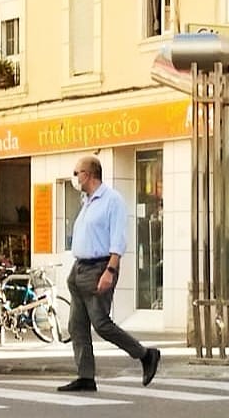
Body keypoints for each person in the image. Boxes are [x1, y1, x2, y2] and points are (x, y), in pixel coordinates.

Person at [58, 155, 160, 392]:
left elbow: (118, 239)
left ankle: (145, 355)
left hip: (99, 267)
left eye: (77, 173)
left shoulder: (111, 200)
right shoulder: (87, 201)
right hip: (80, 268)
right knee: (77, 326)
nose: (75, 178)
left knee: (102, 323)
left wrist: (110, 270)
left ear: (90, 174)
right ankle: (85, 376)